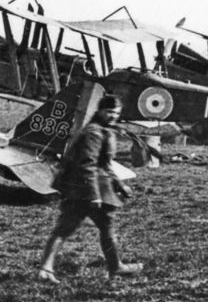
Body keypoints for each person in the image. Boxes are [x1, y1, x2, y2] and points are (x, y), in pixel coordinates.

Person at [38, 94, 143, 283]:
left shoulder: (103, 130)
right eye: (109, 111)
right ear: (100, 111)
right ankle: (115, 267)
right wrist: (94, 195)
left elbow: (106, 164)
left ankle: (47, 268)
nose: (113, 116)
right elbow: (87, 165)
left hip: (85, 188)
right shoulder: (94, 133)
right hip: (85, 190)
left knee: (73, 228)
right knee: (76, 228)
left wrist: (119, 184)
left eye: (116, 113)